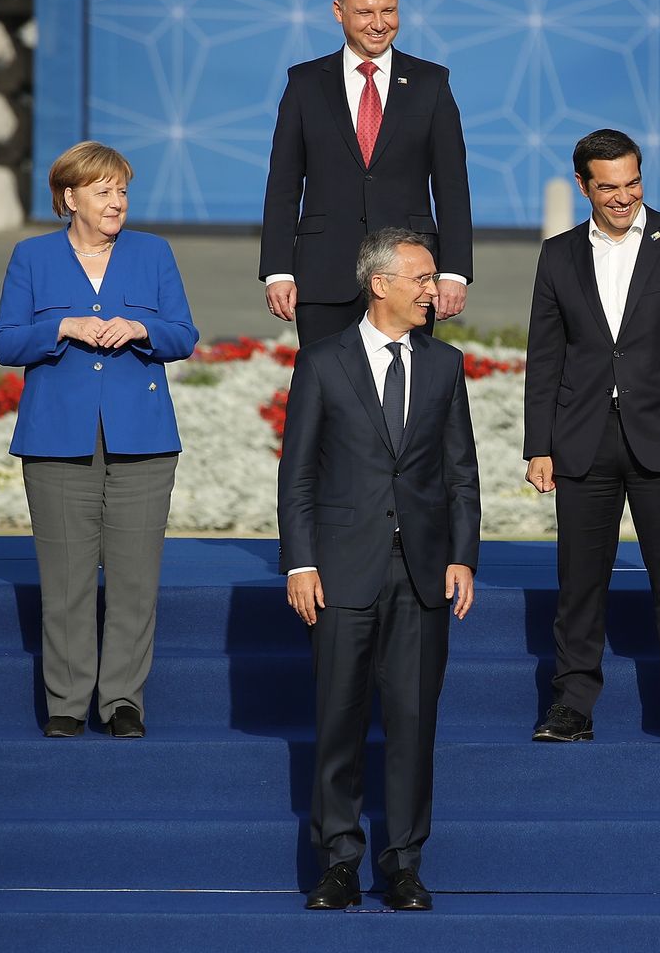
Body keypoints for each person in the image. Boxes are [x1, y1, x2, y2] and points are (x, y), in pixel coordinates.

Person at [278, 228, 480, 912]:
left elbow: (462, 475)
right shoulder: (323, 362)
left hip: (422, 573)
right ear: (381, 283)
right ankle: (338, 859)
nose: (434, 289)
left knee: (413, 721)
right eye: (423, 278)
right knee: (338, 718)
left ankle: (403, 864)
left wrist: (462, 555)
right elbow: (298, 473)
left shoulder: (446, 366)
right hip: (339, 570)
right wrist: (300, 560)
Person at [522, 130, 660, 745]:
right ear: (583, 186)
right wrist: (539, 445)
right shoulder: (558, 256)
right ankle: (572, 706)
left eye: (632, 183)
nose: (623, 197)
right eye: (608, 187)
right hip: (582, 438)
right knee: (579, 583)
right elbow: (545, 357)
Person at [0, 142, 198, 740]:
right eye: (103, 191)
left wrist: (142, 328)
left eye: (122, 192)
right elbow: (6, 343)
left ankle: (123, 701)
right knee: (65, 578)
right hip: (57, 439)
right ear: (69, 198)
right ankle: (66, 699)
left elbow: (184, 332)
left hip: (143, 439)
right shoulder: (32, 257)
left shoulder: (154, 253)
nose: (116, 203)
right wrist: (61, 326)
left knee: (135, 580)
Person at [261, 0, 473, 347]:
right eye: (365, 12)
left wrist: (454, 272)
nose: (379, 23)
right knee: (327, 393)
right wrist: (278, 270)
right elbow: (283, 186)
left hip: (408, 275)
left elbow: (452, 187)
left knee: (403, 394)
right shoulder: (305, 84)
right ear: (338, 12)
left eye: (388, 10)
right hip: (324, 273)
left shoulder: (431, 83)